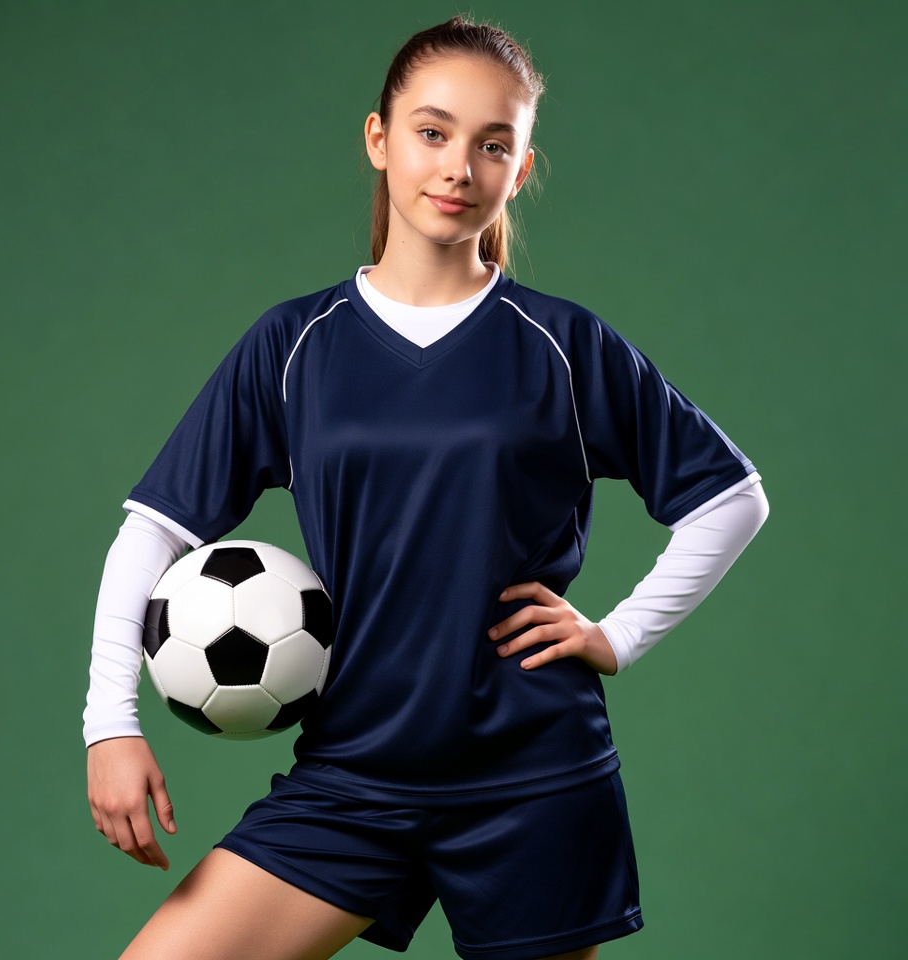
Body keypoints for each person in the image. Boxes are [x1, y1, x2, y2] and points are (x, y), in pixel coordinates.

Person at [85, 16, 768, 960]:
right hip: (353, 775)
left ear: (519, 171)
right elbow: (151, 532)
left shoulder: (563, 347)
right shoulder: (294, 346)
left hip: (533, 777)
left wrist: (616, 634)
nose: (458, 167)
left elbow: (731, 496)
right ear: (379, 138)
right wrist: (108, 724)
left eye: (494, 145)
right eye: (432, 132)